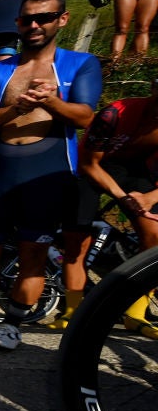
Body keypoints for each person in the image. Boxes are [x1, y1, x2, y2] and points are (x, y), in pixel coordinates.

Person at [0, 0, 102, 350]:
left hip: (47, 171)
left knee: (33, 251)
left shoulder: (79, 64)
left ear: (61, 19)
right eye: (27, 18)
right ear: (18, 22)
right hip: (0, 170)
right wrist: (16, 109)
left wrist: (51, 100)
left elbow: (84, 116)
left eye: (44, 17)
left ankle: (13, 322)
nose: (34, 25)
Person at [51, 78, 158, 333]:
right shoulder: (114, 113)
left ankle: (136, 313)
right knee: (77, 241)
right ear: (154, 89)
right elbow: (89, 164)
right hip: (94, 169)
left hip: (138, 171)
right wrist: (123, 197)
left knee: (154, 238)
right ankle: (72, 310)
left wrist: (151, 198)